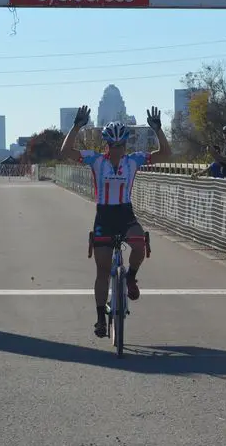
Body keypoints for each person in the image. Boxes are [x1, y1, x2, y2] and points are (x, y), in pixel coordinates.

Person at [59, 105, 171, 338]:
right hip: (105, 215)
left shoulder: (134, 161)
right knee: (102, 269)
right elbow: (66, 151)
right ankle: (101, 318)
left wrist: (158, 130)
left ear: (126, 145)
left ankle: (130, 277)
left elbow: (165, 154)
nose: (117, 149)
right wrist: (77, 126)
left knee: (140, 244)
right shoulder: (95, 160)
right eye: (113, 145)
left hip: (125, 213)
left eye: (121, 145)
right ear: (107, 145)